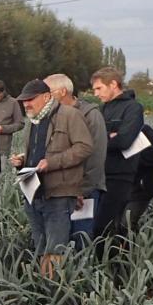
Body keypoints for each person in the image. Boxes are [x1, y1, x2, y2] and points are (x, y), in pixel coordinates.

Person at [8, 79, 92, 278]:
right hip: (34, 191)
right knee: (40, 244)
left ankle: (54, 288)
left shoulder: (70, 115)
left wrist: (52, 162)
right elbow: (37, 153)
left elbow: (84, 147)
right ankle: (41, 286)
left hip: (59, 192)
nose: (26, 104)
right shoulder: (34, 121)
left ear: (47, 97)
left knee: (55, 247)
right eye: (23, 101)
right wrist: (22, 161)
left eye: (30, 99)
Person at [44, 74, 106, 245]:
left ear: (63, 91)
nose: (45, 97)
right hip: (62, 190)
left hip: (85, 190)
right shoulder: (53, 116)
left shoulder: (91, 115)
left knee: (81, 237)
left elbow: (96, 158)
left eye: (48, 92)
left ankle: (82, 271)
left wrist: (82, 190)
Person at [90, 66, 144, 246]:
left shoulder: (133, 108)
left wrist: (102, 138)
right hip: (100, 175)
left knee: (103, 228)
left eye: (99, 88)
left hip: (120, 176)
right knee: (95, 229)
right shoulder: (102, 109)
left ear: (113, 84)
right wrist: (109, 136)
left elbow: (124, 141)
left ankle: (115, 268)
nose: (96, 93)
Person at [126, 124, 153, 232]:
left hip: (141, 189)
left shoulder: (144, 130)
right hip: (118, 188)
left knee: (127, 223)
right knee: (116, 225)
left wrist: (134, 146)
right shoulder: (110, 132)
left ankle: (131, 247)